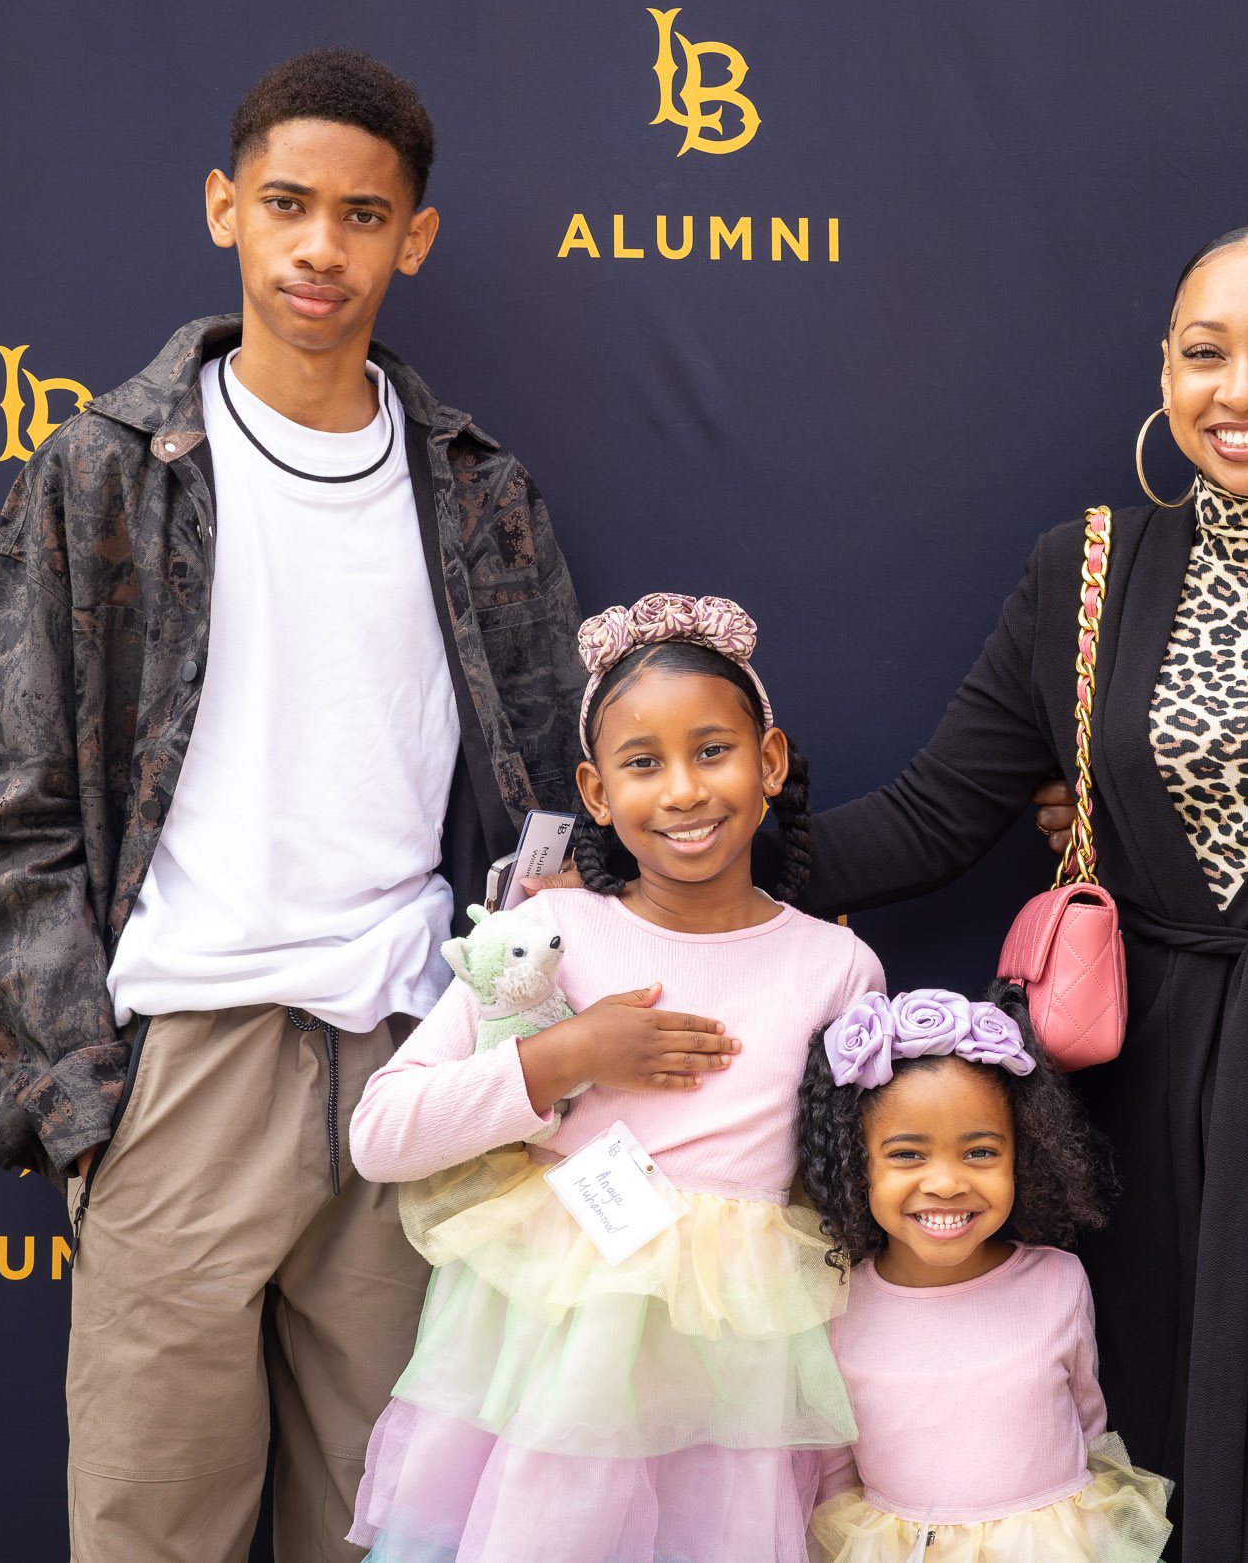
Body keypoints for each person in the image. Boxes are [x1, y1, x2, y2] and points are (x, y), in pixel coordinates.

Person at [0, 50, 589, 1560]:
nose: (320, 247)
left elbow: (558, 795)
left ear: (412, 239)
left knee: (389, 1531)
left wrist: (512, 1038)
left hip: (412, 1069)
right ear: (226, 207)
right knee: (151, 1528)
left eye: (364, 215)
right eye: (287, 204)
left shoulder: (480, 488)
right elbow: (18, 813)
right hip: (185, 1066)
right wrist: (87, 1108)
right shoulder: (106, 468)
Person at [797, 228, 1248, 1562]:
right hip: (1150, 1098)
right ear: (1165, 373)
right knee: (1157, 1465)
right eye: (1206, 352)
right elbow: (937, 813)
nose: (1242, 387)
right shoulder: (1092, 567)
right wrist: (695, 868)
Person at [347, 596, 885, 1563]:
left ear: (768, 763)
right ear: (596, 792)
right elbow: (381, 1131)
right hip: (554, 1383)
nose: (682, 790)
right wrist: (570, 1055)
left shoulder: (836, 968)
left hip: (733, 1396)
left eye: (712, 751)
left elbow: (845, 1196)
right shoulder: (555, 938)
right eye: (644, 763)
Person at [796, 984, 1172, 1562]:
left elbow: (1089, 1422)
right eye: (906, 1154)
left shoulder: (1058, 1282)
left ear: (1024, 1154)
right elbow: (835, 1471)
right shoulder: (839, 1305)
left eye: (979, 1153)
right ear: (856, 1162)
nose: (946, 1183)